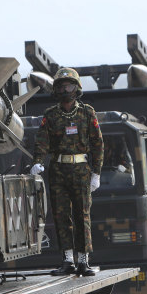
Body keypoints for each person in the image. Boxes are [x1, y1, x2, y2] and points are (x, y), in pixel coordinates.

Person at [31, 68, 104, 276]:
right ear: (56, 89)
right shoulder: (51, 115)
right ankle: (67, 261)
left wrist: (96, 173)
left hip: (81, 170)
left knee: (82, 216)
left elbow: (98, 143)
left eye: (69, 86)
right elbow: (42, 141)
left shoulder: (87, 112)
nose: (65, 90)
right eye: (61, 86)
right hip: (58, 170)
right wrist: (37, 162)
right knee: (61, 216)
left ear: (77, 88)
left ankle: (84, 261)